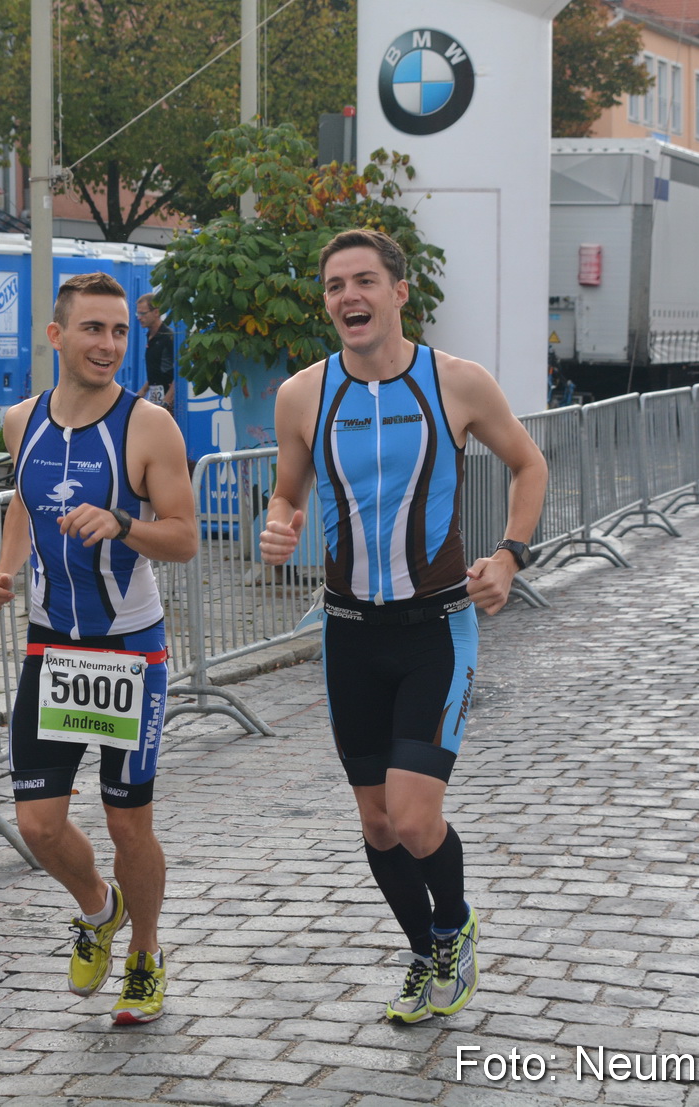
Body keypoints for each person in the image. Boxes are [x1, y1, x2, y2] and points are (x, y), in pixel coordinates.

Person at [258, 229, 547, 1025]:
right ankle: (425, 953)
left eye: (363, 281)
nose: (347, 297)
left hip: (435, 631)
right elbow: (288, 490)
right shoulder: (302, 396)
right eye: (333, 286)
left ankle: (454, 927)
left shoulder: (456, 382)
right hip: (349, 634)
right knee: (379, 822)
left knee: (417, 817)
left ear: (398, 292)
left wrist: (511, 555)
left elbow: (530, 463)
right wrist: (278, 522)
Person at [0, 271, 197, 1025]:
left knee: (127, 820)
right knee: (37, 823)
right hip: (52, 649)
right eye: (93, 330)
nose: (108, 345)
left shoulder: (148, 427)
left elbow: (186, 537)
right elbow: (23, 500)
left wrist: (123, 524)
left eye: (119, 332)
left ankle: (144, 953)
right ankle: (98, 907)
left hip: (130, 652)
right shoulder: (20, 420)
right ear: (57, 336)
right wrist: (6, 570)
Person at [135, 294, 176, 412]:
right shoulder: (150, 336)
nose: (139, 317)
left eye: (143, 313)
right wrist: (143, 390)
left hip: (169, 402)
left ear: (156, 312)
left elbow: (179, 373)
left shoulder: (168, 337)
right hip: (157, 399)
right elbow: (157, 369)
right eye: (138, 314)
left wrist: (167, 401)